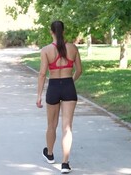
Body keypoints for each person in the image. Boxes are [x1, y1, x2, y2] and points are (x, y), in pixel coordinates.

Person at [36, 20, 82, 174]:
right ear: (64, 31)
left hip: (54, 87)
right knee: (67, 127)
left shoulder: (46, 50)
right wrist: (70, 82)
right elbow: (79, 70)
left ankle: (49, 154)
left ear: (51, 32)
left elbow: (42, 74)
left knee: (51, 125)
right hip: (69, 87)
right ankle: (65, 163)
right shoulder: (73, 48)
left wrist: (38, 96)